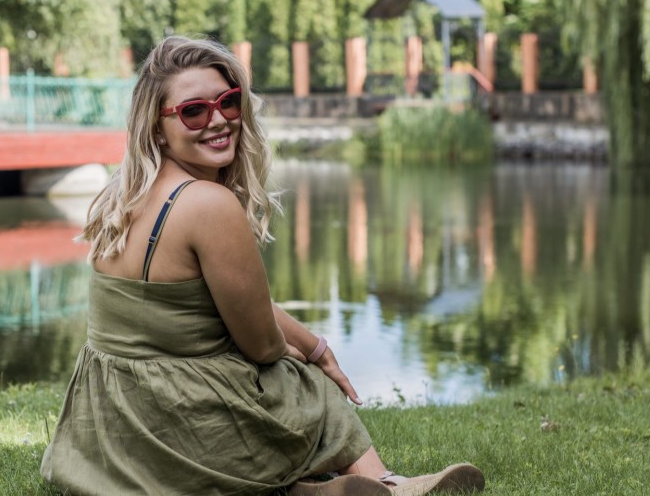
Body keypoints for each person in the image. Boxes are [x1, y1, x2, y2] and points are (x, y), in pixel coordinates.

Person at [40, 35, 485, 496]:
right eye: (194, 111)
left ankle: (305, 490)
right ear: (157, 127)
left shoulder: (121, 194)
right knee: (301, 382)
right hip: (181, 425)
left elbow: (230, 302)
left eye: (228, 102)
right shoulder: (207, 204)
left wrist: (315, 345)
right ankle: (390, 486)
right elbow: (259, 344)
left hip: (108, 436)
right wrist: (301, 359)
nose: (217, 120)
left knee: (300, 363)